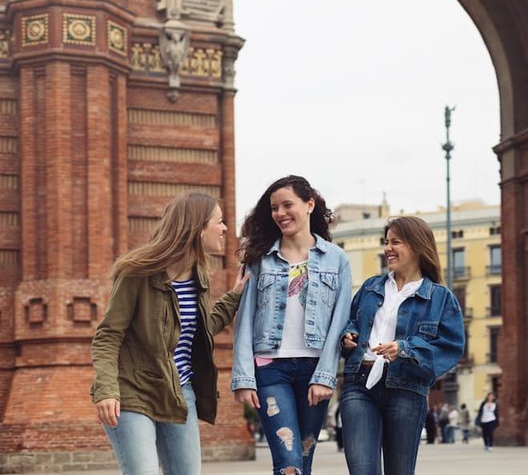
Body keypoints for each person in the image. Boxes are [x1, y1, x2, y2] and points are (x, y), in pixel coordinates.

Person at [91, 192, 249, 475]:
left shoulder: (199, 275)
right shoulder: (137, 272)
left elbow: (198, 332)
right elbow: (108, 335)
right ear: (197, 228)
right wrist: (105, 390)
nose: (225, 229)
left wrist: (233, 297)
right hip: (133, 391)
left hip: (179, 392)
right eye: (219, 221)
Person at [230, 176, 352, 475]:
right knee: (289, 464)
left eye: (288, 205)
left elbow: (340, 321)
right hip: (270, 369)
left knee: (303, 460)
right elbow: (244, 320)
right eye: (274, 208)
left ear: (309, 205)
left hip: (314, 370)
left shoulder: (336, 259)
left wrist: (326, 376)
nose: (280, 213)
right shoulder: (259, 259)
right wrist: (244, 377)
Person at [340, 216, 465, 475]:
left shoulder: (440, 298)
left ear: (417, 246)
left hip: (406, 388)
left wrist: (406, 349)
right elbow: (352, 321)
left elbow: (451, 347)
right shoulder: (370, 287)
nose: (388, 248)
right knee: (362, 470)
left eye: (396, 242)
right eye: (386, 242)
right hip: (359, 383)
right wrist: (348, 336)